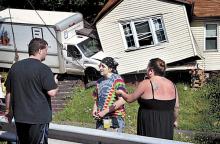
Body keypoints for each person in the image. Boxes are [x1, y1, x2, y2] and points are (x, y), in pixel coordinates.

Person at [4, 38, 59, 144]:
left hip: (20, 118)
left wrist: (8, 111)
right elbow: (52, 92)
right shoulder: (44, 69)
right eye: (46, 51)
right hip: (38, 119)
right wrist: (55, 83)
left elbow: (9, 92)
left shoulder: (15, 67)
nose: (46, 54)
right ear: (40, 50)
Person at [116, 58, 179, 140]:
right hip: (166, 125)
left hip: (149, 125)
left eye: (147, 68)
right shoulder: (172, 85)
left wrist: (121, 93)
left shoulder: (146, 83)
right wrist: (173, 120)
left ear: (151, 70)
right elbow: (176, 107)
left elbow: (130, 99)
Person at [92, 57, 127, 132]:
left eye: (103, 66)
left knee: (111, 140)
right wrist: (95, 109)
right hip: (102, 118)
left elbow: (122, 101)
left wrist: (104, 112)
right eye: (100, 66)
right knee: (102, 139)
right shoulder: (99, 82)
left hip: (114, 118)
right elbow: (96, 99)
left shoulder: (117, 80)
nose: (100, 68)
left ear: (110, 69)